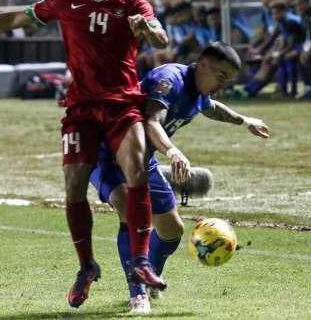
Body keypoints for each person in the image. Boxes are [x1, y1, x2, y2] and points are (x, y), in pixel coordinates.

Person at [0, 0, 169, 309]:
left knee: (136, 172)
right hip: (81, 109)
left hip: (123, 105)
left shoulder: (133, 1)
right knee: (73, 184)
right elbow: (14, 17)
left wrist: (148, 30)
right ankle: (86, 266)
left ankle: (140, 261)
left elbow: (161, 38)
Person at [89, 42, 270, 313]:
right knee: (129, 209)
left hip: (142, 159)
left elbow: (210, 107)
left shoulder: (198, 90)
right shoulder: (169, 79)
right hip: (105, 151)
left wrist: (245, 121)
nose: (222, 84)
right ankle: (137, 293)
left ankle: (149, 276)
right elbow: (151, 121)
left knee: (172, 230)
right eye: (220, 77)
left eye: (228, 80)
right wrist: (173, 152)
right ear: (203, 64)